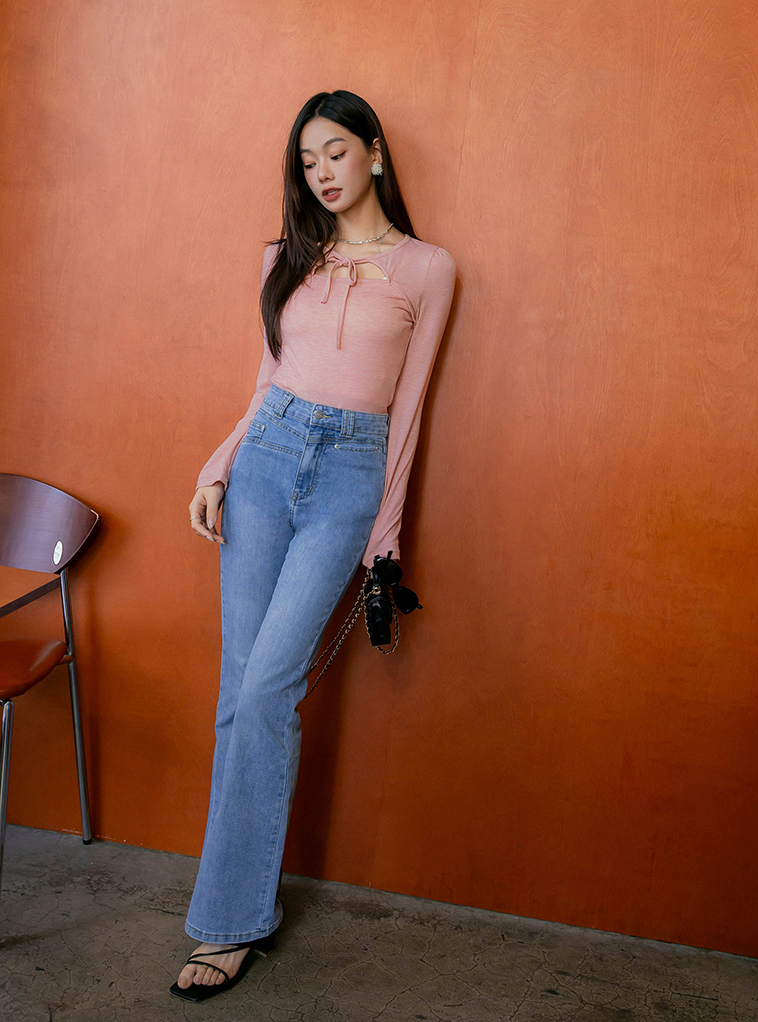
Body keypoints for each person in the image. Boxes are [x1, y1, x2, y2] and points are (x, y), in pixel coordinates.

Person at [171, 89, 456, 1001]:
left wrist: (386, 537)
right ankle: (233, 919)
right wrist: (216, 468)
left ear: (373, 152)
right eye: (307, 161)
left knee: (267, 687)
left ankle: (230, 919)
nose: (322, 173)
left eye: (335, 152)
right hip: (264, 459)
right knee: (237, 692)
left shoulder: (428, 269)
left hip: (349, 475)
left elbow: (409, 413)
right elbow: (266, 383)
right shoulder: (285, 257)